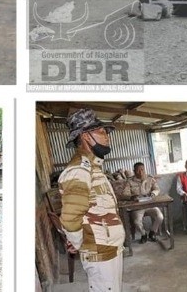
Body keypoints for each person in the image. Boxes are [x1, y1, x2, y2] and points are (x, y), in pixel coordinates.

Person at [58, 108, 125, 292]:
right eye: (102, 132)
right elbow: (70, 219)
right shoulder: (79, 171)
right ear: (86, 136)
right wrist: (80, 244)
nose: (107, 136)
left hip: (108, 249)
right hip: (100, 253)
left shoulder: (93, 168)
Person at [124, 162, 163, 243]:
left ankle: (152, 232)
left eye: (142, 169)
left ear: (144, 170)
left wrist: (153, 193)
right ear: (134, 171)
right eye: (138, 170)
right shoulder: (130, 181)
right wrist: (131, 197)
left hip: (149, 205)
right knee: (137, 222)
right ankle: (143, 234)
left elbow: (157, 189)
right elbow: (125, 193)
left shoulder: (150, 178)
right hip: (137, 207)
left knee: (160, 217)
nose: (141, 172)